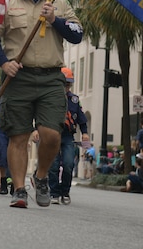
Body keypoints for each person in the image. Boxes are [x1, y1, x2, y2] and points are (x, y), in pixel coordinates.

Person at [0, 0, 83, 208]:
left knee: (51, 136)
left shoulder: (59, 3)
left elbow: (77, 35)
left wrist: (55, 20)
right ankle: (18, 190)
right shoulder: (7, 3)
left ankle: (40, 177)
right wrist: (4, 62)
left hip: (51, 78)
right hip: (19, 78)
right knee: (18, 136)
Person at [49, 67, 89, 205]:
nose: (66, 87)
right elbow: (43, 116)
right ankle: (53, 192)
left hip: (67, 136)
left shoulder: (74, 100)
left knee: (68, 164)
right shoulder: (50, 98)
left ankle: (65, 191)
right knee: (53, 165)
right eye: (64, 83)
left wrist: (84, 132)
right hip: (53, 134)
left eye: (68, 84)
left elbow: (81, 118)